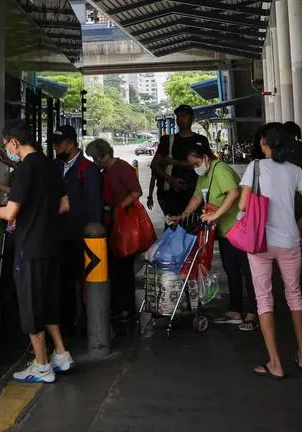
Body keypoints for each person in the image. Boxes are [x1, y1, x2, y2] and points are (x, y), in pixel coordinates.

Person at [0, 121, 74, 383]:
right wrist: (40, 215)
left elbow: (10, 212)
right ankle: (61, 354)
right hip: (51, 245)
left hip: (30, 248)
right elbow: (65, 205)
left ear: (14, 142)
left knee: (31, 305)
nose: (7, 150)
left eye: (6, 145)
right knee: (48, 300)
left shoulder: (25, 169)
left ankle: (42, 366)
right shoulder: (50, 165)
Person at [238, 122, 302, 379]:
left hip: (260, 241)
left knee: (264, 299)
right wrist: (298, 224)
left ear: (263, 142)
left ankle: (275, 363)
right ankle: (301, 356)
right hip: (289, 241)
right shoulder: (295, 170)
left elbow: (243, 204)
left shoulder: (254, 168)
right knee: (294, 295)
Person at [173, 146, 256, 331]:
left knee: (247, 271)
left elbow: (234, 193)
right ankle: (235, 310)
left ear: (205, 157)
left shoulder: (220, 169)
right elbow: (196, 197)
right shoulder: (204, 174)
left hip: (239, 229)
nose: (196, 167)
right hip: (225, 232)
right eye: (192, 165)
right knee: (231, 270)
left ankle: (253, 311)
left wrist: (215, 214)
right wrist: (182, 216)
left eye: (196, 163)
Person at [51, 124, 103, 338]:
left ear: (71, 144)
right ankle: (66, 326)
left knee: (87, 284)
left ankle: (92, 325)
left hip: (82, 239)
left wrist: (93, 240)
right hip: (58, 237)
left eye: (59, 144)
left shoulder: (87, 170)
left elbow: (94, 208)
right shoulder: (54, 166)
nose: (55, 148)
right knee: (62, 284)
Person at [84, 137, 143, 325]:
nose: (95, 162)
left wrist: (118, 208)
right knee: (115, 269)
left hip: (122, 224)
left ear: (106, 155)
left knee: (124, 268)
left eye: (96, 158)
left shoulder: (122, 168)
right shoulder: (107, 170)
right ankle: (119, 306)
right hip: (111, 225)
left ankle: (127, 309)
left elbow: (136, 192)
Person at [149, 105, 211, 219]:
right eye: (178, 117)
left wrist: (172, 162)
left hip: (196, 192)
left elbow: (209, 164)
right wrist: (170, 180)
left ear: (192, 119)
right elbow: (154, 164)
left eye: (184, 116)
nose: (180, 119)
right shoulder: (167, 140)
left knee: (194, 227)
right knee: (173, 227)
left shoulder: (201, 140)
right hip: (172, 195)